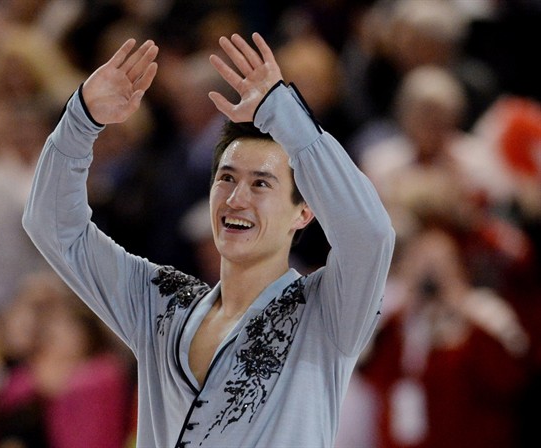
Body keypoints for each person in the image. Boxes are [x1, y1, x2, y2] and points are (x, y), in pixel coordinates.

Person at [23, 32, 394, 448]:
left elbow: (371, 235)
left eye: (261, 184)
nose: (237, 199)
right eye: (227, 178)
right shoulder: (159, 302)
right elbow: (54, 227)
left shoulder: (327, 313)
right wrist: (81, 120)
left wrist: (282, 113)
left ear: (304, 212)